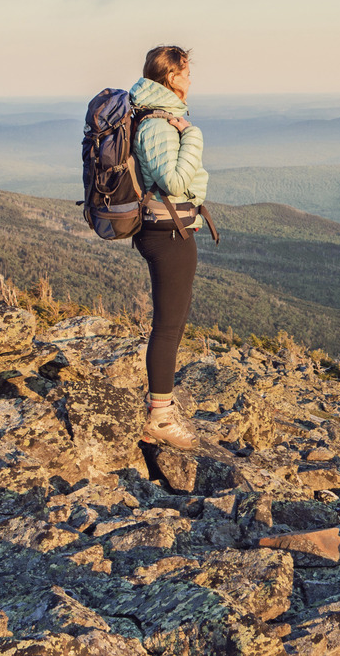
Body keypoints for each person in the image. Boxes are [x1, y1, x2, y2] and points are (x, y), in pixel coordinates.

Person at [130, 45, 209, 449]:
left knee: (173, 322)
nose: (191, 79)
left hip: (170, 228)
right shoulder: (159, 124)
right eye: (186, 72)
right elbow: (174, 182)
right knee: (167, 326)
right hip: (167, 232)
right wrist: (193, 136)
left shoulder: (157, 117)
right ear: (171, 76)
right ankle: (159, 418)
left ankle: (162, 406)